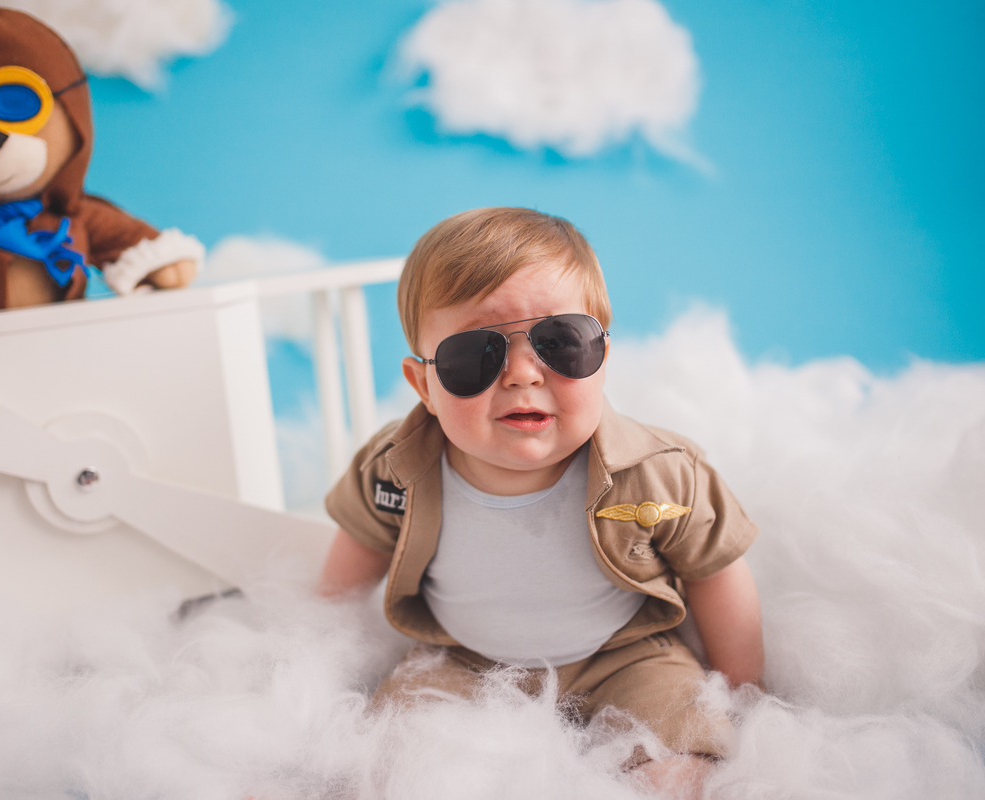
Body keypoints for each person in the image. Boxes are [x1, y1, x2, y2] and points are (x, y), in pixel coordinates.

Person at [319, 207, 763, 797]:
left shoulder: (659, 473)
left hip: (626, 658)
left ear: (603, 356)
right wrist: (314, 664)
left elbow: (717, 574)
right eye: (475, 354)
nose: (524, 374)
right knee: (389, 759)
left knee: (685, 759)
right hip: (465, 662)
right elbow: (342, 582)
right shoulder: (394, 470)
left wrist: (741, 694)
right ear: (425, 385)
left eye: (561, 344)